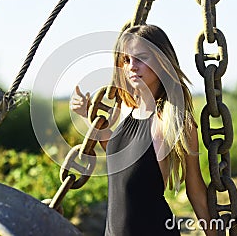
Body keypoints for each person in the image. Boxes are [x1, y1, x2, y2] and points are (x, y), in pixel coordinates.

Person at [70, 24, 214, 235]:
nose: (131, 67)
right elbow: (122, 160)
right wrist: (87, 114)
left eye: (141, 58)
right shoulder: (128, 111)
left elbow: (195, 188)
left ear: (162, 60)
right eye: (126, 60)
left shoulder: (174, 120)